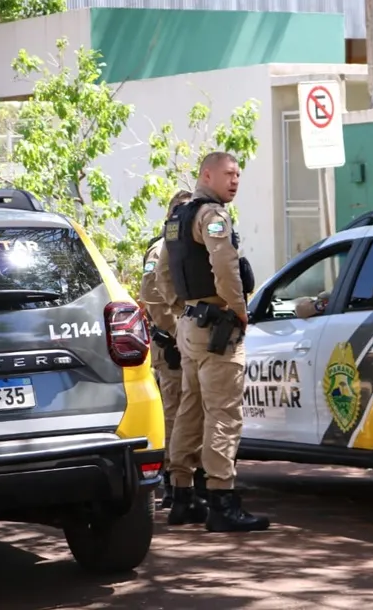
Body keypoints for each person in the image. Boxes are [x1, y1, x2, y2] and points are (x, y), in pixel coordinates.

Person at [155, 151, 269, 532]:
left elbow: (163, 274)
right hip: (216, 326)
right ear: (207, 174)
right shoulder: (212, 216)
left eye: (238, 175)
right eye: (228, 174)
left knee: (191, 408)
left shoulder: (177, 218)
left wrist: (179, 311)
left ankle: (182, 494)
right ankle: (222, 500)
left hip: (189, 325)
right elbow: (225, 264)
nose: (235, 181)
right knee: (223, 413)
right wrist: (238, 308)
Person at [138, 189, 206, 508]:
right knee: (175, 411)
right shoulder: (161, 248)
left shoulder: (196, 248)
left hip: (197, 340)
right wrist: (177, 330)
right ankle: (171, 481)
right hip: (173, 343)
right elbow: (151, 296)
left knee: (199, 411)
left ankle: (197, 477)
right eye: (179, 210)